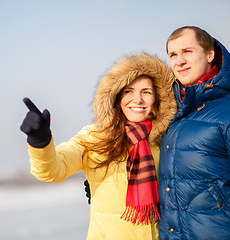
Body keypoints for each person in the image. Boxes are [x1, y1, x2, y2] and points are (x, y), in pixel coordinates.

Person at [20, 53, 177, 240]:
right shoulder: (95, 137)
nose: (138, 99)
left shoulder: (168, 141)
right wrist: (40, 141)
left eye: (146, 92)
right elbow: (51, 170)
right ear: (116, 97)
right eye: (128, 91)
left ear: (158, 100)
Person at [158, 26, 230, 240]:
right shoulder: (174, 117)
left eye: (187, 51)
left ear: (210, 54)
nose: (179, 61)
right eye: (173, 54)